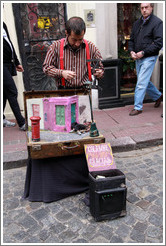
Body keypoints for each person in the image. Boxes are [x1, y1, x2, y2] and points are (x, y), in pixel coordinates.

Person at [43, 16, 104, 89]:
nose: (77, 43)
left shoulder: (91, 47)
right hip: (64, 91)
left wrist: (99, 73)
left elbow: (100, 68)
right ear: (66, 33)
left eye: (80, 39)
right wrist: (61, 73)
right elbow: (46, 68)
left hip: (84, 91)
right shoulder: (55, 47)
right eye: (74, 40)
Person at [128, 3, 163, 116]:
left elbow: (159, 43)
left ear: (151, 8)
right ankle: (158, 96)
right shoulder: (137, 23)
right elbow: (131, 40)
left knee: (141, 83)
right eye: (142, 8)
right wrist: (131, 51)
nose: (144, 10)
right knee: (144, 81)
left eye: (146, 7)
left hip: (149, 57)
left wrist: (143, 52)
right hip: (138, 57)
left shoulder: (157, 22)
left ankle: (138, 107)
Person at [3, 22, 26, 130]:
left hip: (8, 62)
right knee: (12, 91)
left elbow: (9, 42)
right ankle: (21, 122)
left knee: (4, 93)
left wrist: (16, 62)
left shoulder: (3, 24)